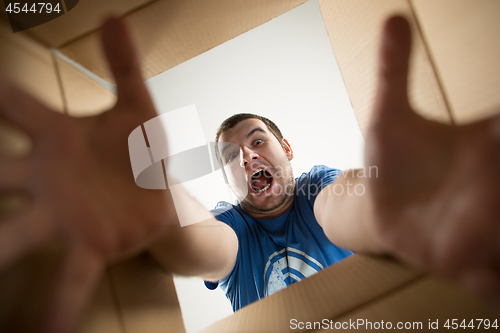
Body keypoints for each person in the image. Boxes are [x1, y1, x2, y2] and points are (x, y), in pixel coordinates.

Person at [0, 14, 498, 333]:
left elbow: (346, 204)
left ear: (286, 149)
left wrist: (391, 195)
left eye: (257, 142)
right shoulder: (233, 224)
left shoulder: (314, 187)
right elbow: (201, 246)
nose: (247, 158)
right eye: (230, 157)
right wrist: (160, 193)